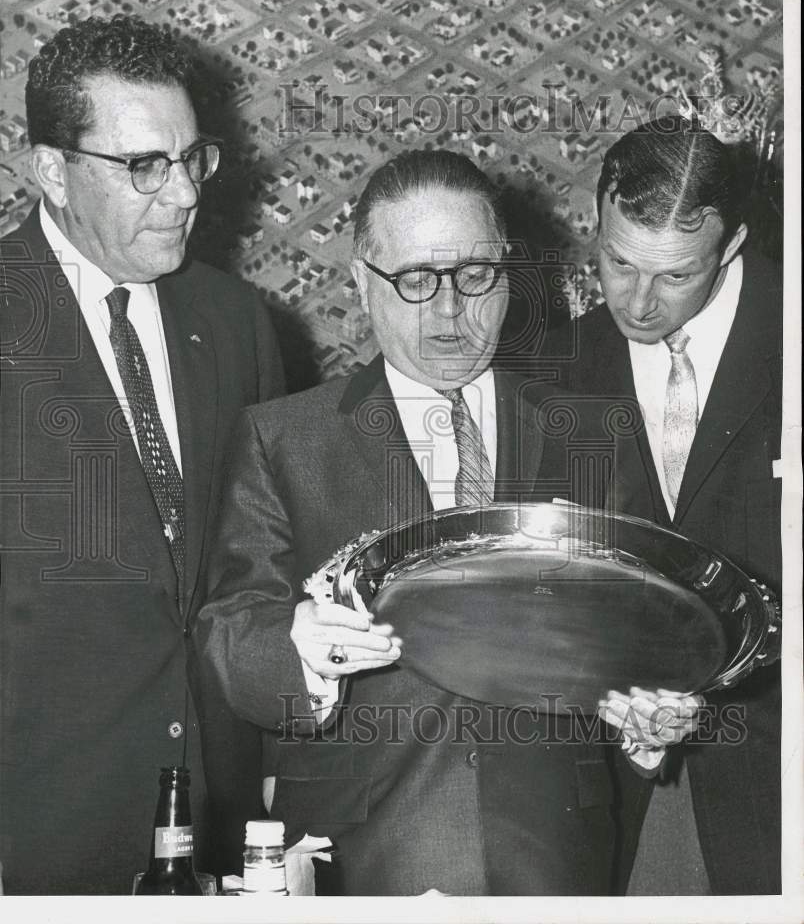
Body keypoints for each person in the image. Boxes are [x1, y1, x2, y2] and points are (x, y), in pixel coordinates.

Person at [195, 148, 694, 896]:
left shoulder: (596, 436)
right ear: (363, 284)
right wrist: (299, 645)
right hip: (360, 854)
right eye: (417, 281)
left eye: (474, 277)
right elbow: (230, 630)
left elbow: (638, 638)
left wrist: (647, 722)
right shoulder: (283, 439)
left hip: (557, 852)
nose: (450, 312)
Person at [0, 15, 285, 894]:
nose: (183, 195)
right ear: (51, 170)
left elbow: (263, 564)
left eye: (192, 158)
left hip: (219, 823)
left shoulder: (238, 324)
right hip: (37, 828)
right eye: (141, 168)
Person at [548, 119, 782, 895]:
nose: (638, 303)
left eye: (676, 275)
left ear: (735, 242)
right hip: (620, 800)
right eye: (617, 262)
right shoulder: (564, 368)